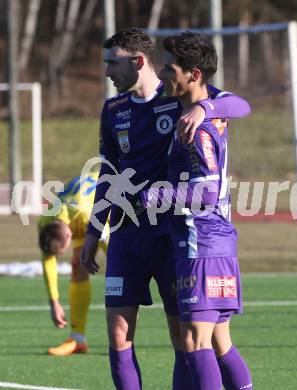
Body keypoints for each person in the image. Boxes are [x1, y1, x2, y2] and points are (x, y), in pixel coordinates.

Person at [80, 28, 250, 390]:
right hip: (126, 236)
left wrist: (205, 106)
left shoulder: (178, 98)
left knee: (186, 339)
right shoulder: (113, 110)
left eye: (112, 63)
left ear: (137, 62)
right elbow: (107, 176)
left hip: (171, 234)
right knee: (118, 334)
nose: (108, 71)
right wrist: (95, 232)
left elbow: (240, 105)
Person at [139, 32, 253, 389]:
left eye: (169, 68)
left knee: (194, 342)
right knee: (220, 343)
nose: (163, 74)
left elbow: (205, 190)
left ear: (194, 74)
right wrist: (207, 105)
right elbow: (238, 104)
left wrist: (152, 197)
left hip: (199, 240)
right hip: (215, 239)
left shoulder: (197, 127)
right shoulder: (202, 108)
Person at [38, 172, 108, 356]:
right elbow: (47, 259)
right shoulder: (45, 221)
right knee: (78, 265)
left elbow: (111, 244)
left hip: (110, 203)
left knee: (121, 268)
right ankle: (77, 339)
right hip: (81, 209)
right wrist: (54, 301)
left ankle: (125, 336)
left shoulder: (85, 215)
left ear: (70, 235)